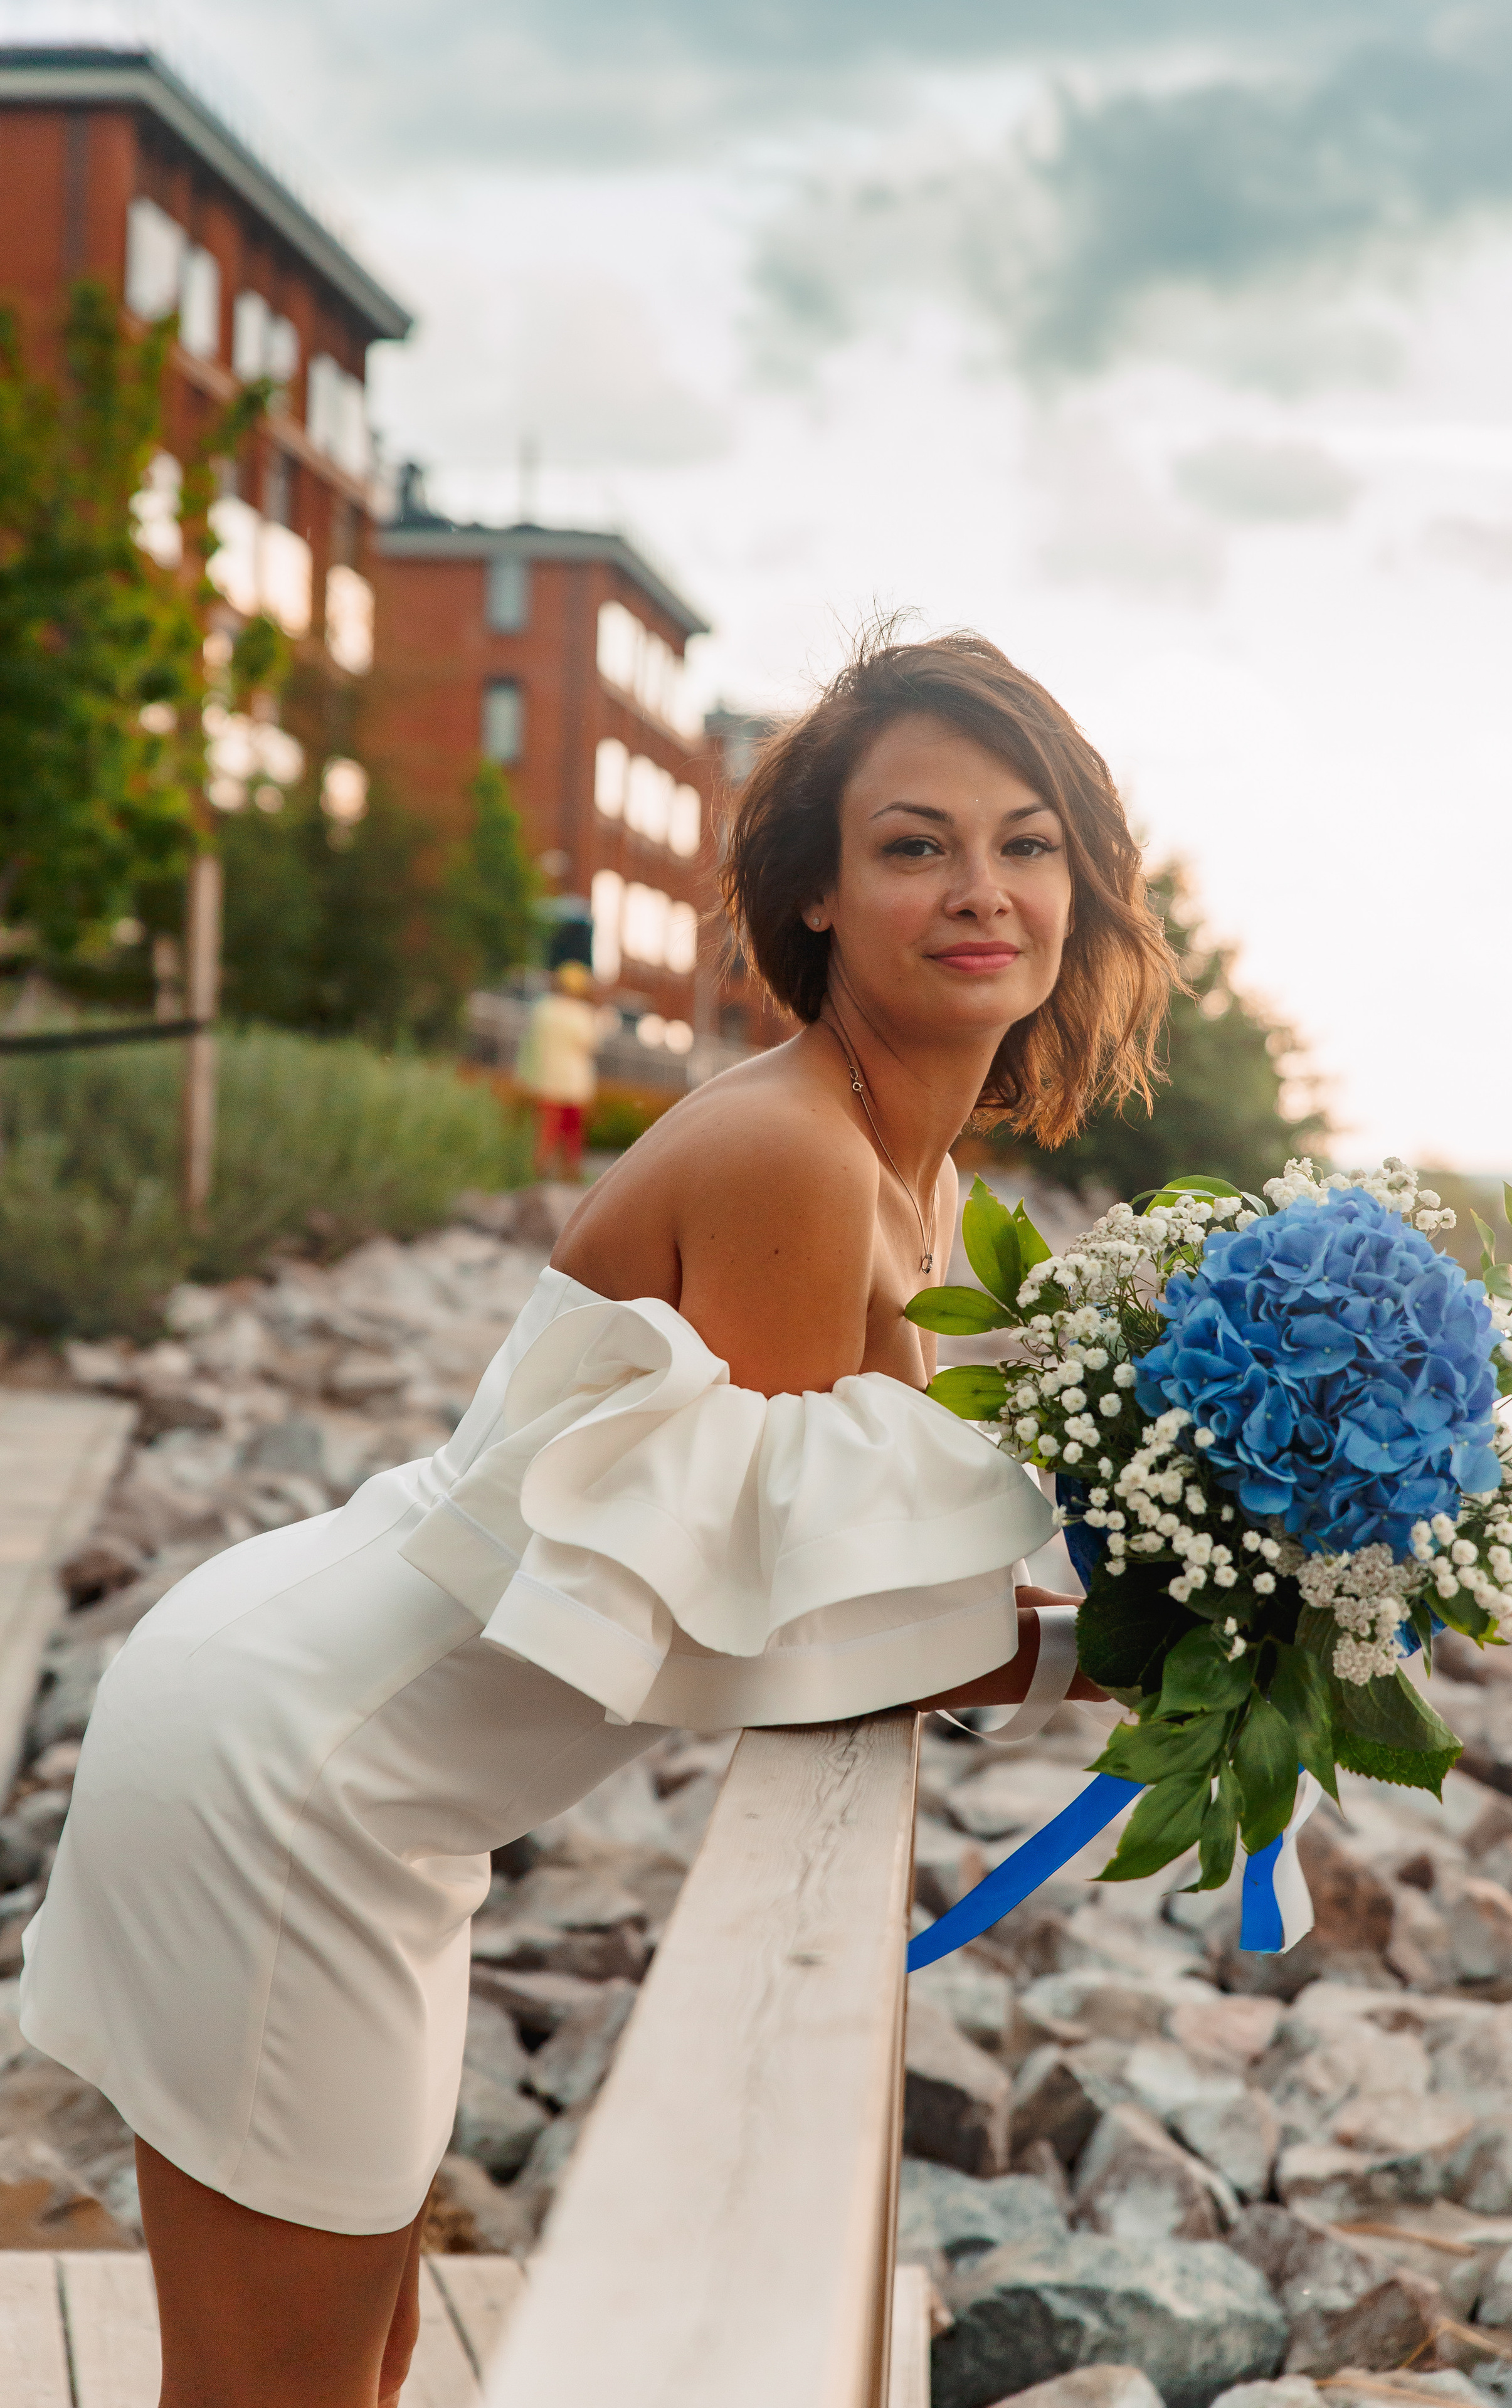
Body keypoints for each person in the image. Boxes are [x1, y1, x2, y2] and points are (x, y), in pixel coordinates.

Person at [18, 628, 1175, 2407]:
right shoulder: (791, 1154)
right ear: (817, 901)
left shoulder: (916, 1171)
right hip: (294, 1772)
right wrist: (1125, 1651)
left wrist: (1161, 1630)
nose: (982, 890)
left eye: (1028, 842)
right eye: (914, 844)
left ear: (1082, 887)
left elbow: (811, 1584)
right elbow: (776, 1634)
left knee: (363, 2353)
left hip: (383, 1793)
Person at [519, 959, 604, 1177]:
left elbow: (530, 1044)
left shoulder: (543, 1008)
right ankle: (569, 1176)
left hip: (545, 1080)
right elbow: (591, 1045)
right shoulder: (583, 1014)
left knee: (545, 1131)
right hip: (574, 1083)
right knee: (572, 1134)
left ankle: (536, 1172)